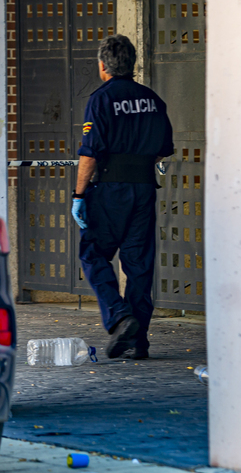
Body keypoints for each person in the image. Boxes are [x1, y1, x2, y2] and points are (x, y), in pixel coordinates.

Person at [71, 35, 174, 359]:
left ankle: (118, 316)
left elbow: (89, 154)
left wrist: (78, 194)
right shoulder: (153, 100)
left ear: (103, 66)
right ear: (132, 64)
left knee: (93, 254)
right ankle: (138, 340)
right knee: (139, 264)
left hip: (110, 191)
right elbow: (163, 150)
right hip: (143, 189)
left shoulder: (100, 100)